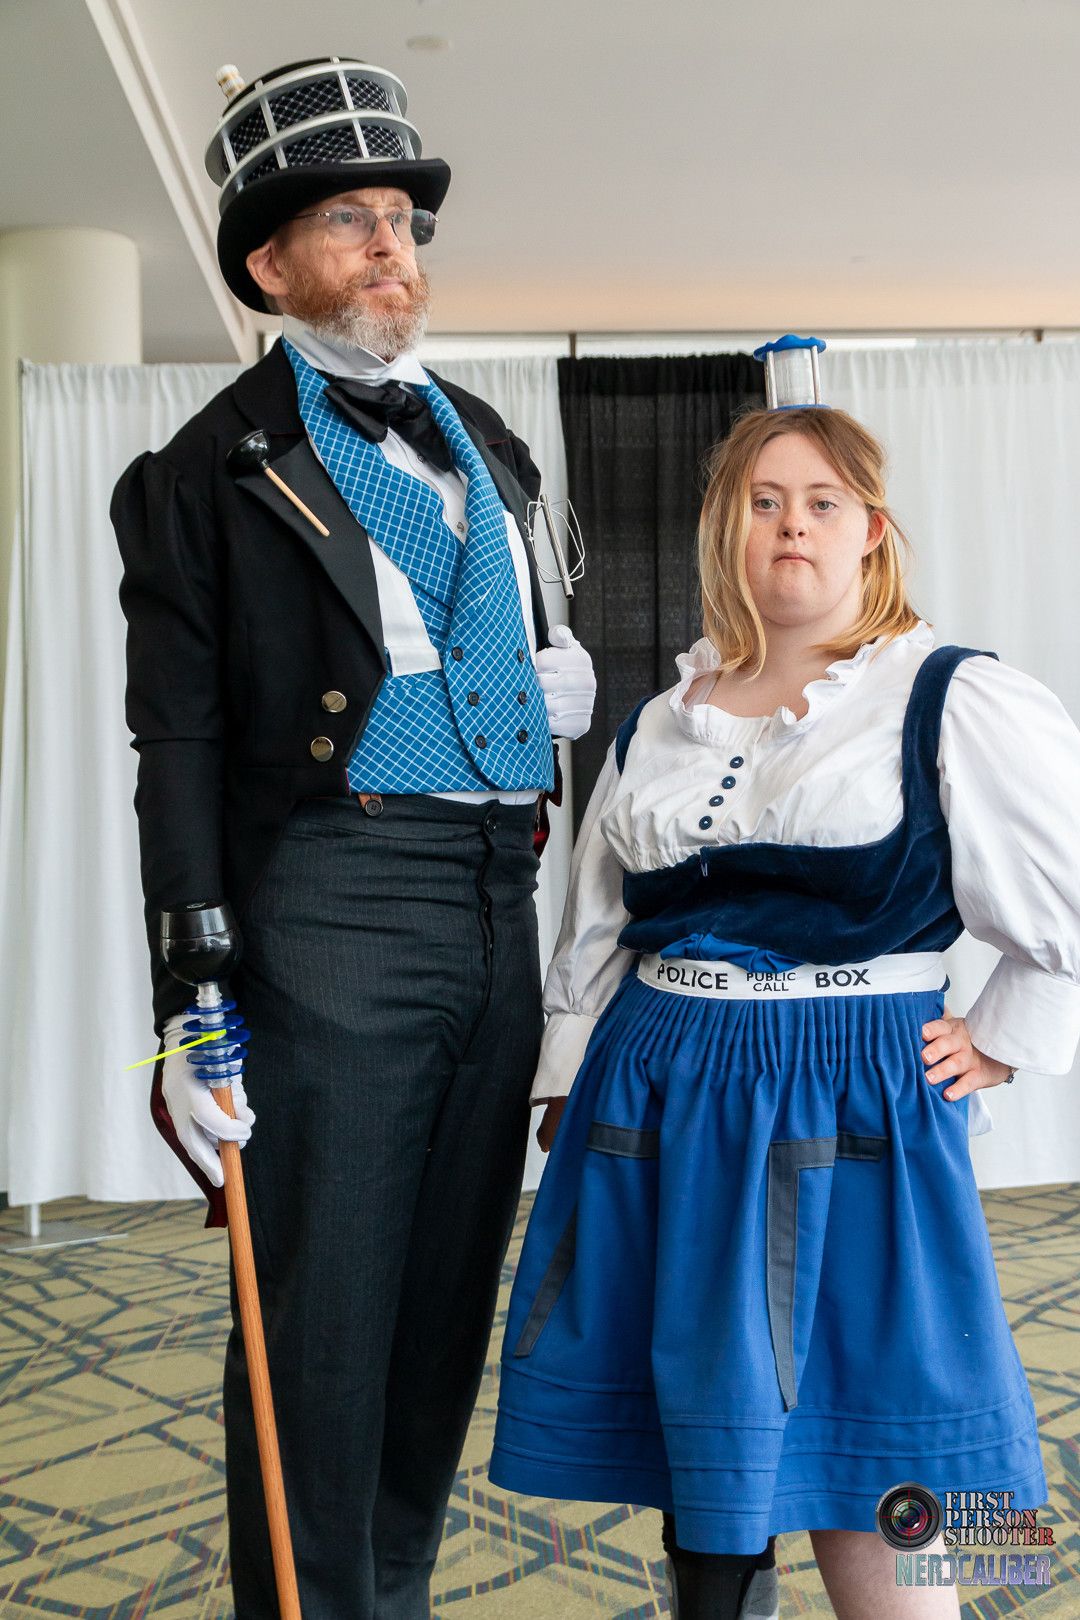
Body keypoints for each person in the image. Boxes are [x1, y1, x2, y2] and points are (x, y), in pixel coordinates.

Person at [111, 55, 595, 1620]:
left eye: (403, 219)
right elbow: (175, 744)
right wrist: (190, 996)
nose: (394, 247)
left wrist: (546, 680)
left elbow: (506, 651)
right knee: (318, 1329)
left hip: (492, 895)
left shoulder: (490, 447)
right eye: (350, 222)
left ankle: (387, 1592)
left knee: (444, 1310)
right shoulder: (201, 474)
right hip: (331, 898)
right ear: (268, 265)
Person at [488, 395, 1080, 1620]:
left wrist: (1008, 1039)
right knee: (708, 1432)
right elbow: (598, 919)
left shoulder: (951, 692)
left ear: (872, 529)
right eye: (763, 503)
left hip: (857, 1087)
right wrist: (567, 1073)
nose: (790, 527)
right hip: (662, 1089)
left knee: (898, 1416)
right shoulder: (665, 718)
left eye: (821, 503)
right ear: (728, 531)